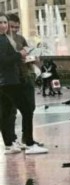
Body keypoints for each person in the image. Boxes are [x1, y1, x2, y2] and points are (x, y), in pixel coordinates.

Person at [0, 12, 48, 154]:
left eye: (4, 22)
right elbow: (3, 60)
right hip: (9, 81)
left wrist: (26, 56)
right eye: (0, 23)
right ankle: (29, 143)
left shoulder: (7, 38)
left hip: (9, 80)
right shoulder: (2, 39)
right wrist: (19, 54)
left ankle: (9, 145)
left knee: (6, 112)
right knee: (26, 110)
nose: (4, 25)